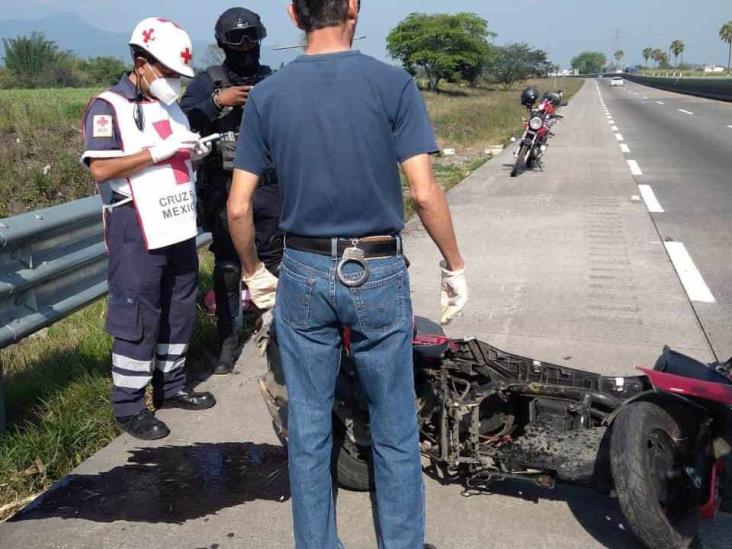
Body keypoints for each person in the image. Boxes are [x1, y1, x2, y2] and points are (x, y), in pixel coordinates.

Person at [227, 1, 468, 547]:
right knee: (394, 425)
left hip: (303, 270)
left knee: (309, 427)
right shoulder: (393, 84)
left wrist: (255, 274)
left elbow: (239, 207)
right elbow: (425, 192)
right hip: (379, 267)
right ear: (354, 7)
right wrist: (454, 266)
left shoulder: (267, 96)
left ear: (293, 14)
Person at [80, 17, 216, 441]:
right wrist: (156, 152)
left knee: (179, 304)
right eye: (169, 72)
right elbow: (101, 168)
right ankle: (128, 405)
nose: (174, 82)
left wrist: (192, 152)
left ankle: (171, 385)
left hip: (176, 222)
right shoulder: (108, 106)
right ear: (142, 63)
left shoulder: (168, 105)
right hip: (135, 224)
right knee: (137, 312)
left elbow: (176, 152)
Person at [181, 7, 283, 375]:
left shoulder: (274, 80)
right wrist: (216, 103)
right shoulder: (206, 82)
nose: (245, 46)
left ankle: (281, 335)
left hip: (269, 190)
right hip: (223, 189)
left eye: (251, 38)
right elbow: (179, 123)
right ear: (223, 43)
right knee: (227, 267)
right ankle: (228, 339)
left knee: (276, 262)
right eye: (236, 39)